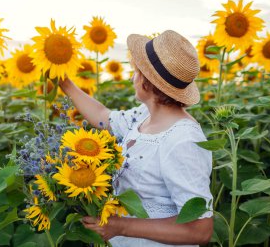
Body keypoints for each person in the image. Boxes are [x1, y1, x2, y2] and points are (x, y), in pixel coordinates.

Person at [59, 30, 213, 246]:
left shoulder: (183, 140)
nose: (132, 78)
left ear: (147, 83)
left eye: (137, 72)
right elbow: (103, 117)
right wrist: (65, 84)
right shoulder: (144, 115)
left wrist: (121, 226)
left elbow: (200, 229)